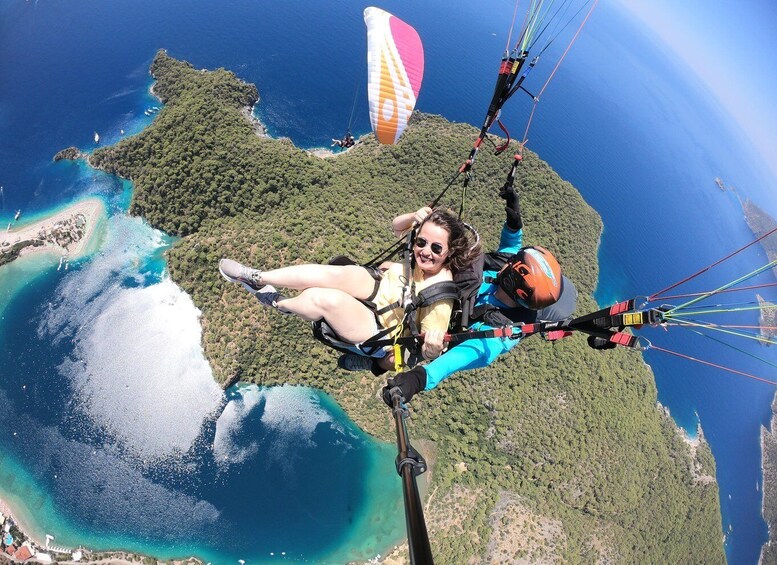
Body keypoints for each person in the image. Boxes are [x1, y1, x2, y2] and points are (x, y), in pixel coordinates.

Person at [381, 183, 578, 405]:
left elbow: (463, 356)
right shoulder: (509, 267)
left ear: (512, 283)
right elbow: (512, 245)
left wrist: (418, 379)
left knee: (391, 356)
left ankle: (373, 362)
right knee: (388, 269)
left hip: (435, 323)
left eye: (511, 264)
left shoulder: (500, 333)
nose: (508, 261)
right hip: (437, 285)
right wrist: (514, 215)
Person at [219, 207, 481, 371]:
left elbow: (425, 350)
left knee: (323, 298)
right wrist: (414, 217)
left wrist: (433, 348)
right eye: (421, 242)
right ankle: (257, 276)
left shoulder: (441, 298)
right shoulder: (421, 255)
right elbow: (396, 226)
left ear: (450, 252)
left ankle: (276, 302)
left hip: (382, 328)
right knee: (333, 273)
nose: (425, 251)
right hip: (380, 287)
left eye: (436, 248)